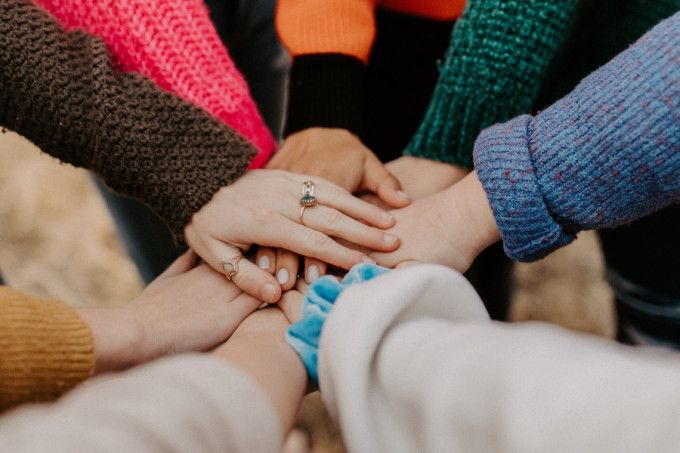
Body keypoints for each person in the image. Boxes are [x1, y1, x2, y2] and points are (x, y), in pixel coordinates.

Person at [0, 0, 400, 305]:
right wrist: (190, 162)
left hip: (278, 13)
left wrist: (324, 98)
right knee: (217, 282)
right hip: (124, 34)